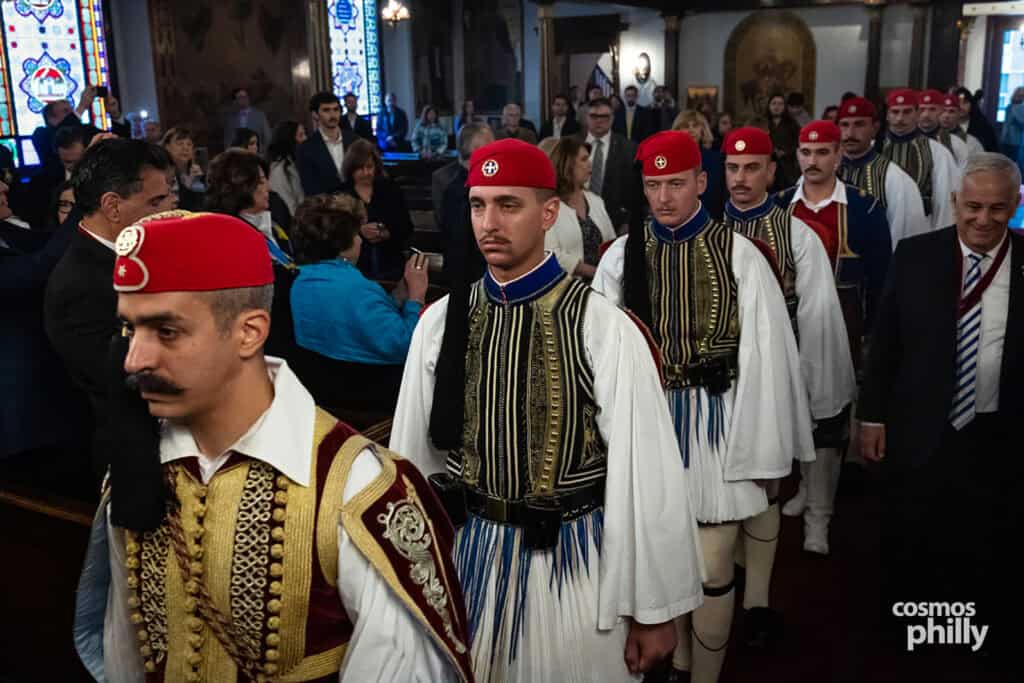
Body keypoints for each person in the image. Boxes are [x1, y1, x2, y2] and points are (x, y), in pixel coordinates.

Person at [72, 211, 475, 682]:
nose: (135, 359)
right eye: (128, 329)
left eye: (166, 331)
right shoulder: (137, 465)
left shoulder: (359, 491)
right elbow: (124, 649)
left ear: (249, 332)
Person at [389, 137, 703, 682]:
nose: (489, 222)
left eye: (509, 205)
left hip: (574, 559)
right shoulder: (441, 321)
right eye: (478, 204)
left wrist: (653, 611)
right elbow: (412, 461)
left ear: (548, 212)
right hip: (471, 556)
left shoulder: (602, 326)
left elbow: (645, 474)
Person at [593, 131, 814, 682]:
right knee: (658, 557)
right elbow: (595, 353)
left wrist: (765, 454)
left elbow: (766, 360)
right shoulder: (622, 256)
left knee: (713, 564)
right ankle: (679, 663)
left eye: (674, 184)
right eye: (652, 185)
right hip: (646, 426)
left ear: (700, 182)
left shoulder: (742, 256)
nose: (663, 198)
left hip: (717, 422)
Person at [859, 153, 1022, 674]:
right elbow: (885, 345)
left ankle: (972, 639)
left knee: (986, 542)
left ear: (1016, 206)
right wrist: (872, 417)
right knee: (913, 535)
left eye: (998, 209)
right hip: (921, 426)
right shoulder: (915, 256)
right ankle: (911, 638)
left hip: (999, 433)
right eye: (973, 206)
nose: (983, 219)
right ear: (954, 203)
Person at [721, 123, 855, 574]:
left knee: (769, 470)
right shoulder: (705, 228)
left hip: (777, 368)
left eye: (751, 168)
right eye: (732, 167)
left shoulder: (798, 234)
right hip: (720, 376)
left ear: (771, 171)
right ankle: (731, 557)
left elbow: (817, 315)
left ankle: (809, 523)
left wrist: (813, 384)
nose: (740, 178)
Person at [772, 121, 890, 557]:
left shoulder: (864, 208)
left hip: (844, 321)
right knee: (796, 412)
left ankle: (820, 512)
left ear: (839, 155)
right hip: (789, 323)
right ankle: (805, 487)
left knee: (830, 416)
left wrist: (875, 334)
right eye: (806, 152)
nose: (813, 161)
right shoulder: (781, 205)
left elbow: (883, 277)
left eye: (823, 152)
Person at [43, 139, 175, 484]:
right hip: (138, 459)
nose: (171, 208)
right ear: (113, 207)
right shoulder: (77, 283)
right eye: (156, 201)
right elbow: (123, 377)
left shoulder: (142, 249)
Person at [291, 193, 427, 369]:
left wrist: (399, 296)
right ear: (342, 245)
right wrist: (416, 297)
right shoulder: (359, 292)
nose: (360, 241)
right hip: (372, 388)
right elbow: (406, 346)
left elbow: (368, 321)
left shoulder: (297, 281)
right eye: (356, 234)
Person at [837, 97, 929, 247]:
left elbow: (905, 236)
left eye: (859, 124)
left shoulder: (894, 178)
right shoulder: (824, 173)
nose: (850, 133)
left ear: (875, 127)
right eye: (844, 125)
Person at [880, 88, 961, 231]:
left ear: (917, 113)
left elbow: (945, 203)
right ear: (887, 115)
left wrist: (941, 238)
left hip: (921, 228)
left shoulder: (937, 152)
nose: (900, 118)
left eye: (907, 112)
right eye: (895, 112)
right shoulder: (875, 148)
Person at [339, 139, 413, 280]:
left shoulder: (390, 189)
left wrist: (388, 233)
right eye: (360, 168)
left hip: (391, 263)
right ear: (351, 168)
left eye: (370, 167)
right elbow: (334, 235)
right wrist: (359, 232)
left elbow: (407, 228)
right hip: (355, 269)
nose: (366, 172)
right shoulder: (340, 193)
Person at [545, 136, 616, 281]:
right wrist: (595, 272)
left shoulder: (596, 201)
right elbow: (551, 254)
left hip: (603, 286)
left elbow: (612, 243)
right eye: (583, 159)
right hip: (567, 289)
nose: (590, 164)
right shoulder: (548, 206)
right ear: (567, 164)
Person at [205, 149, 293, 265]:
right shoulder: (228, 238)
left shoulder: (274, 217)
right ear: (240, 186)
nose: (269, 187)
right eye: (261, 182)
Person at [438, 123, 493, 285]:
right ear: (477, 150)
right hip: (469, 280)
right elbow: (461, 245)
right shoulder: (460, 191)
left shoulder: (470, 185)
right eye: (491, 147)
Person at [582, 97, 638, 230]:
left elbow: (634, 189)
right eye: (594, 116)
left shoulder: (629, 148)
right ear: (586, 118)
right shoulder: (572, 144)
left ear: (612, 118)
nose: (599, 120)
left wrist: (627, 221)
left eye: (604, 116)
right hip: (575, 215)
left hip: (615, 220)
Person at [296, 91, 356, 197]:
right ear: (315, 115)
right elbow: (310, 188)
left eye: (336, 109)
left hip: (356, 204)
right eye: (326, 110)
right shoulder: (306, 149)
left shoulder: (354, 140)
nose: (332, 115)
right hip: (326, 208)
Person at [673, 110, 726, 219]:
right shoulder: (669, 160)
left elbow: (720, 196)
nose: (691, 130)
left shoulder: (717, 159)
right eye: (685, 126)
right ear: (677, 130)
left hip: (711, 219)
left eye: (695, 126)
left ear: (702, 130)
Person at [917, 89, 969, 168]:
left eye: (932, 109)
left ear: (941, 111)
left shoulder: (955, 143)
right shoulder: (906, 141)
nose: (926, 115)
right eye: (922, 109)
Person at [267, 120, 308, 216]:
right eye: (301, 135)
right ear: (289, 139)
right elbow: (288, 207)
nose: (305, 139)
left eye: (305, 134)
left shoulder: (297, 163)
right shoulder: (279, 171)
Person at [161, 127, 205, 211]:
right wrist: (188, 186)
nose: (185, 148)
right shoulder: (163, 175)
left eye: (189, 144)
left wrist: (198, 182)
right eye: (180, 144)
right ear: (167, 147)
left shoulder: (197, 172)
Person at [222, 87, 272, 152]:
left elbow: (268, 137)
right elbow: (227, 140)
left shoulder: (259, 115)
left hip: (256, 154)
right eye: (241, 97)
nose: (244, 99)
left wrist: (262, 152)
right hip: (237, 155)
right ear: (235, 101)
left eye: (246, 96)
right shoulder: (230, 118)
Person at [766, 94, 801, 187]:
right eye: (774, 103)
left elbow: (799, 144)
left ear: (785, 107)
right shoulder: (763, 122)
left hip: (787, 168)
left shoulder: (793, 125)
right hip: (767, 166)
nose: (776, 106)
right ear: (769, 106)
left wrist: (785, 152)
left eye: (780, 104)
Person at [954, 86, 998, 153]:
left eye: (965, 102)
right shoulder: (947, 124)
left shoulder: (983, 126)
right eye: (958, 102)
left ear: (971, 104)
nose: (961, 106)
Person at [941, 93, 984, 159]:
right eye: (943, 111)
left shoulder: (971, 142)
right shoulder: (930, 139)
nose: (946, 115)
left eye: (951, 111)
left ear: (959, 114)